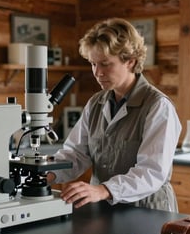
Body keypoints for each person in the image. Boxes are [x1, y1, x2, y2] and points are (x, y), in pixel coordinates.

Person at [49, 18, 182, 211]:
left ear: (130, 61)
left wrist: (103, 190)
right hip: (104, 208)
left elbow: (151, 172)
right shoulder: (96, 103)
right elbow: (76, 154)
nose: (97, 73)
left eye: (105, 64)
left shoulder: (157, 106)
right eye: (93, 64)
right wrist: (46, 174)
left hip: (148, 210)